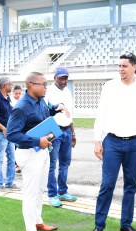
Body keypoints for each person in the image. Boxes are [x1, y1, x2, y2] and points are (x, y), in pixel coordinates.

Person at [91, 52, 136, 231]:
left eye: (124, 66)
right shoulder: (109, 86)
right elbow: (100, 114)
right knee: (107, 185)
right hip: (112, 142)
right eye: (119, 66)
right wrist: (97, 140)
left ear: (134, 67)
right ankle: (99, 226)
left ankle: (126, 224)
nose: (120, 69)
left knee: (131, 185)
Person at [6, 72, 70, 231]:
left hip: (42, 150)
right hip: (29, 153)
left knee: (41, 189)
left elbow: (44, 114)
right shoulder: (21, 107)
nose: (46, 86)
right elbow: (11, 134)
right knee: (31, 193)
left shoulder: (41, 100)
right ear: (32, 85)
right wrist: (37, 140)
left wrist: (57, 107)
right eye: (43, 84)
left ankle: (38, 221)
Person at [44, 67, 77, 208]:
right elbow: (45, 111)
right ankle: (52, 194)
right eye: (61, 78)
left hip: (67, 131)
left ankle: (62, 191)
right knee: (52, 164)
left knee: (65, 163)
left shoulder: (68, 91)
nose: (63, 81)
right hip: (53, 130)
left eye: (65, 78)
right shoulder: (49, 91)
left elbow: (70, 114)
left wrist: (73, 132)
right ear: (55, 78)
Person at [0, 77, 19, 191]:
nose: (11, 86)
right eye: (10, 84)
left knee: (11, 157)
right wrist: (3, 129)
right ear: (5, 85)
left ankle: (9, 182)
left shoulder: (8, 98)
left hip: (8, 132)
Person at [11, 85, 23, 173]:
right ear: (12, 93)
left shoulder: (23, 100)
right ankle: (16, 164)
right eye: (16, 93)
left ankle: (21, 163)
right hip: (14, 126)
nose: (18, 95)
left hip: (22, 125)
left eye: (19, 93)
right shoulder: (10, 101)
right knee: (15, 146)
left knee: (22, 146)